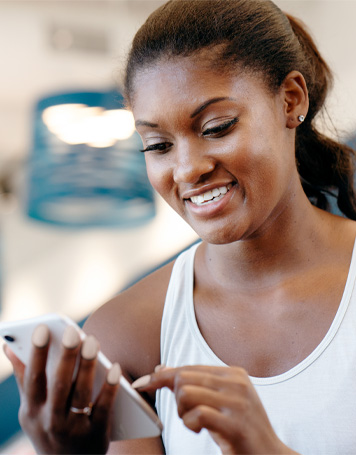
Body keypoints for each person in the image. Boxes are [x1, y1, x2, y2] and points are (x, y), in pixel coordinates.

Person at [4, 0, 356, 453]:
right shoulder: (129, 332)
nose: (187, 170)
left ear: (291, 100)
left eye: (216, 127)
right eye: (158, 145)